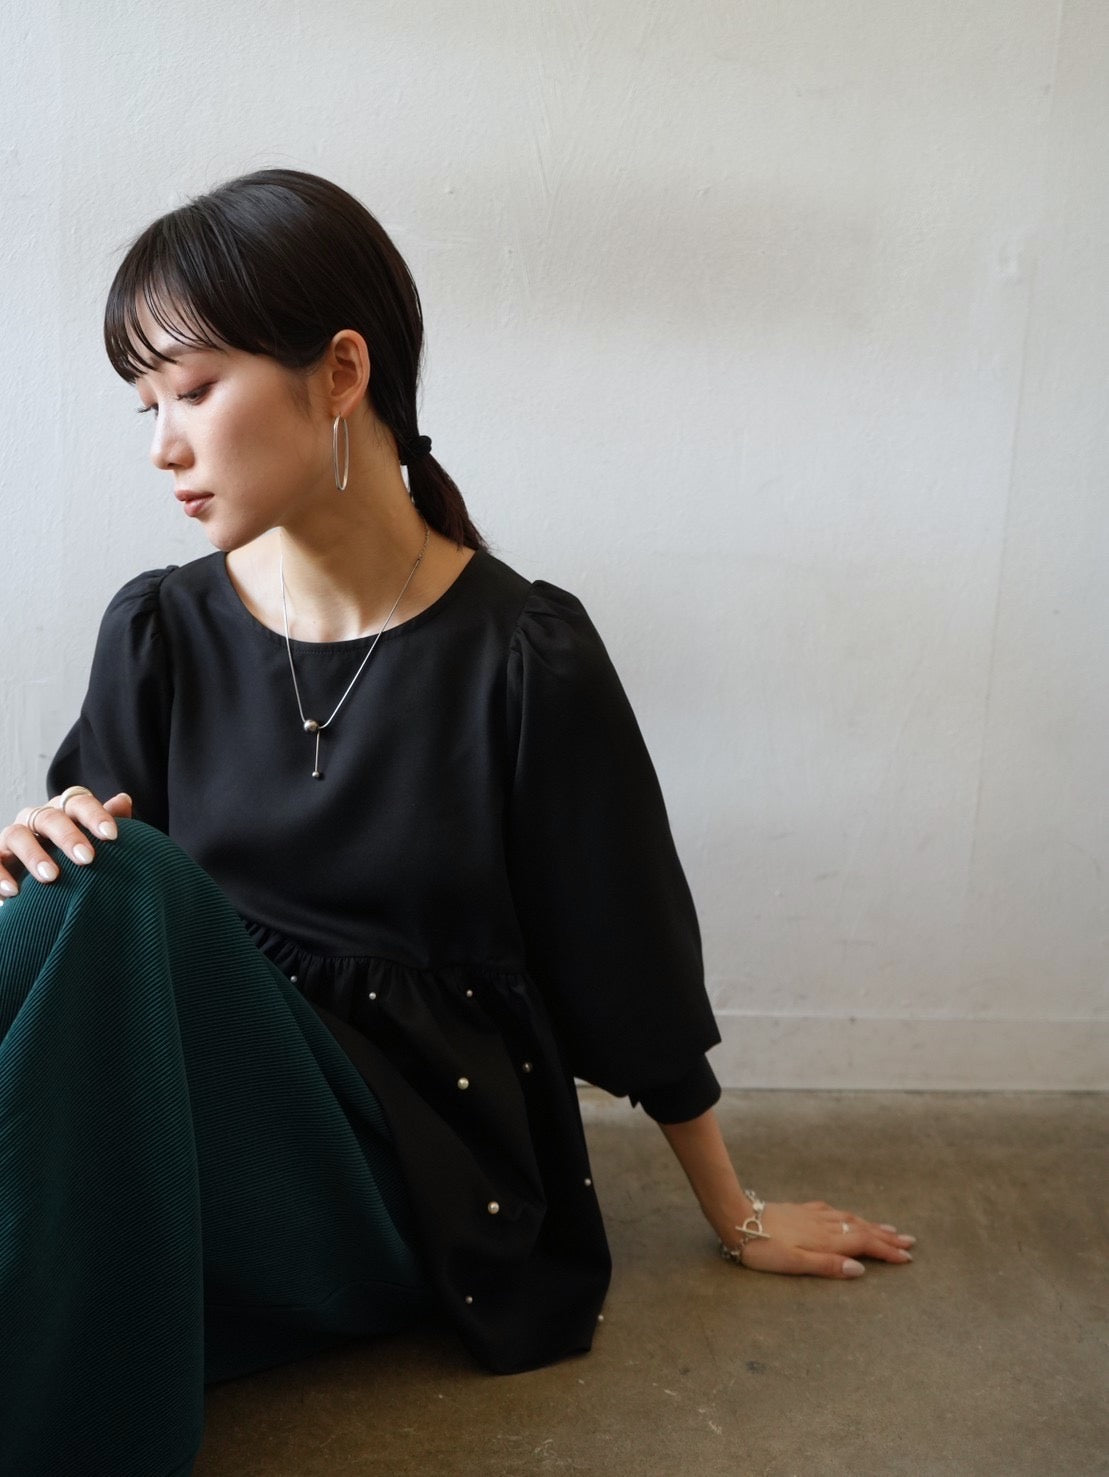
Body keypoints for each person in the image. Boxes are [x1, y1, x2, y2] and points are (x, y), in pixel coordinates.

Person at [0, 169, 915, 1476]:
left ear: (340, 372)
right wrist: (28, 862)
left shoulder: (523, 656)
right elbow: (88, 949)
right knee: (84, 875)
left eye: (193, 390)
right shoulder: (158, 628)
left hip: (409, 1174)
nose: (162, 446)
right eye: (146, 407)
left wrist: (736, 1207)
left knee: (114, 880)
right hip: (204, 1123)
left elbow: (628, 961)